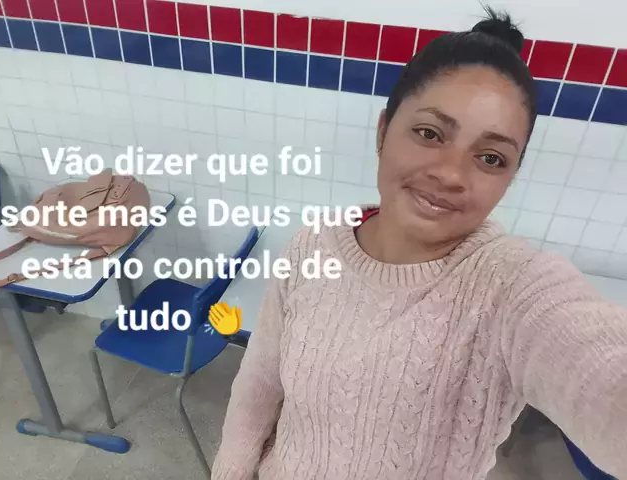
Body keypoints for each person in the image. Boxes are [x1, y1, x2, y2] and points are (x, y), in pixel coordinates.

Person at [211, 7, 627, 480]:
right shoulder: (312, 246)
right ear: (383, 130)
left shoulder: (509, 287)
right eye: (430, 133)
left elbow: (597, 365)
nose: (451, 174)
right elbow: (260, 381)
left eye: (491, 158)